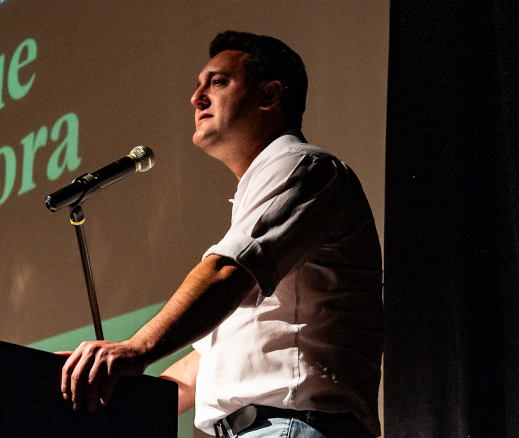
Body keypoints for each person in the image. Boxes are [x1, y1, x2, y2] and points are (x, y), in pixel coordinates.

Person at [60, 30, 385, 437]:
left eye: (217, 82)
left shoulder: (303, 167)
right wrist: (101, 381)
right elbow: (202, 370)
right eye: (198, 85)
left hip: (292, 427)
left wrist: (136, 348)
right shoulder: (264, 204)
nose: (196, 98)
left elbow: (224, 273)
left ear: (269, 96)